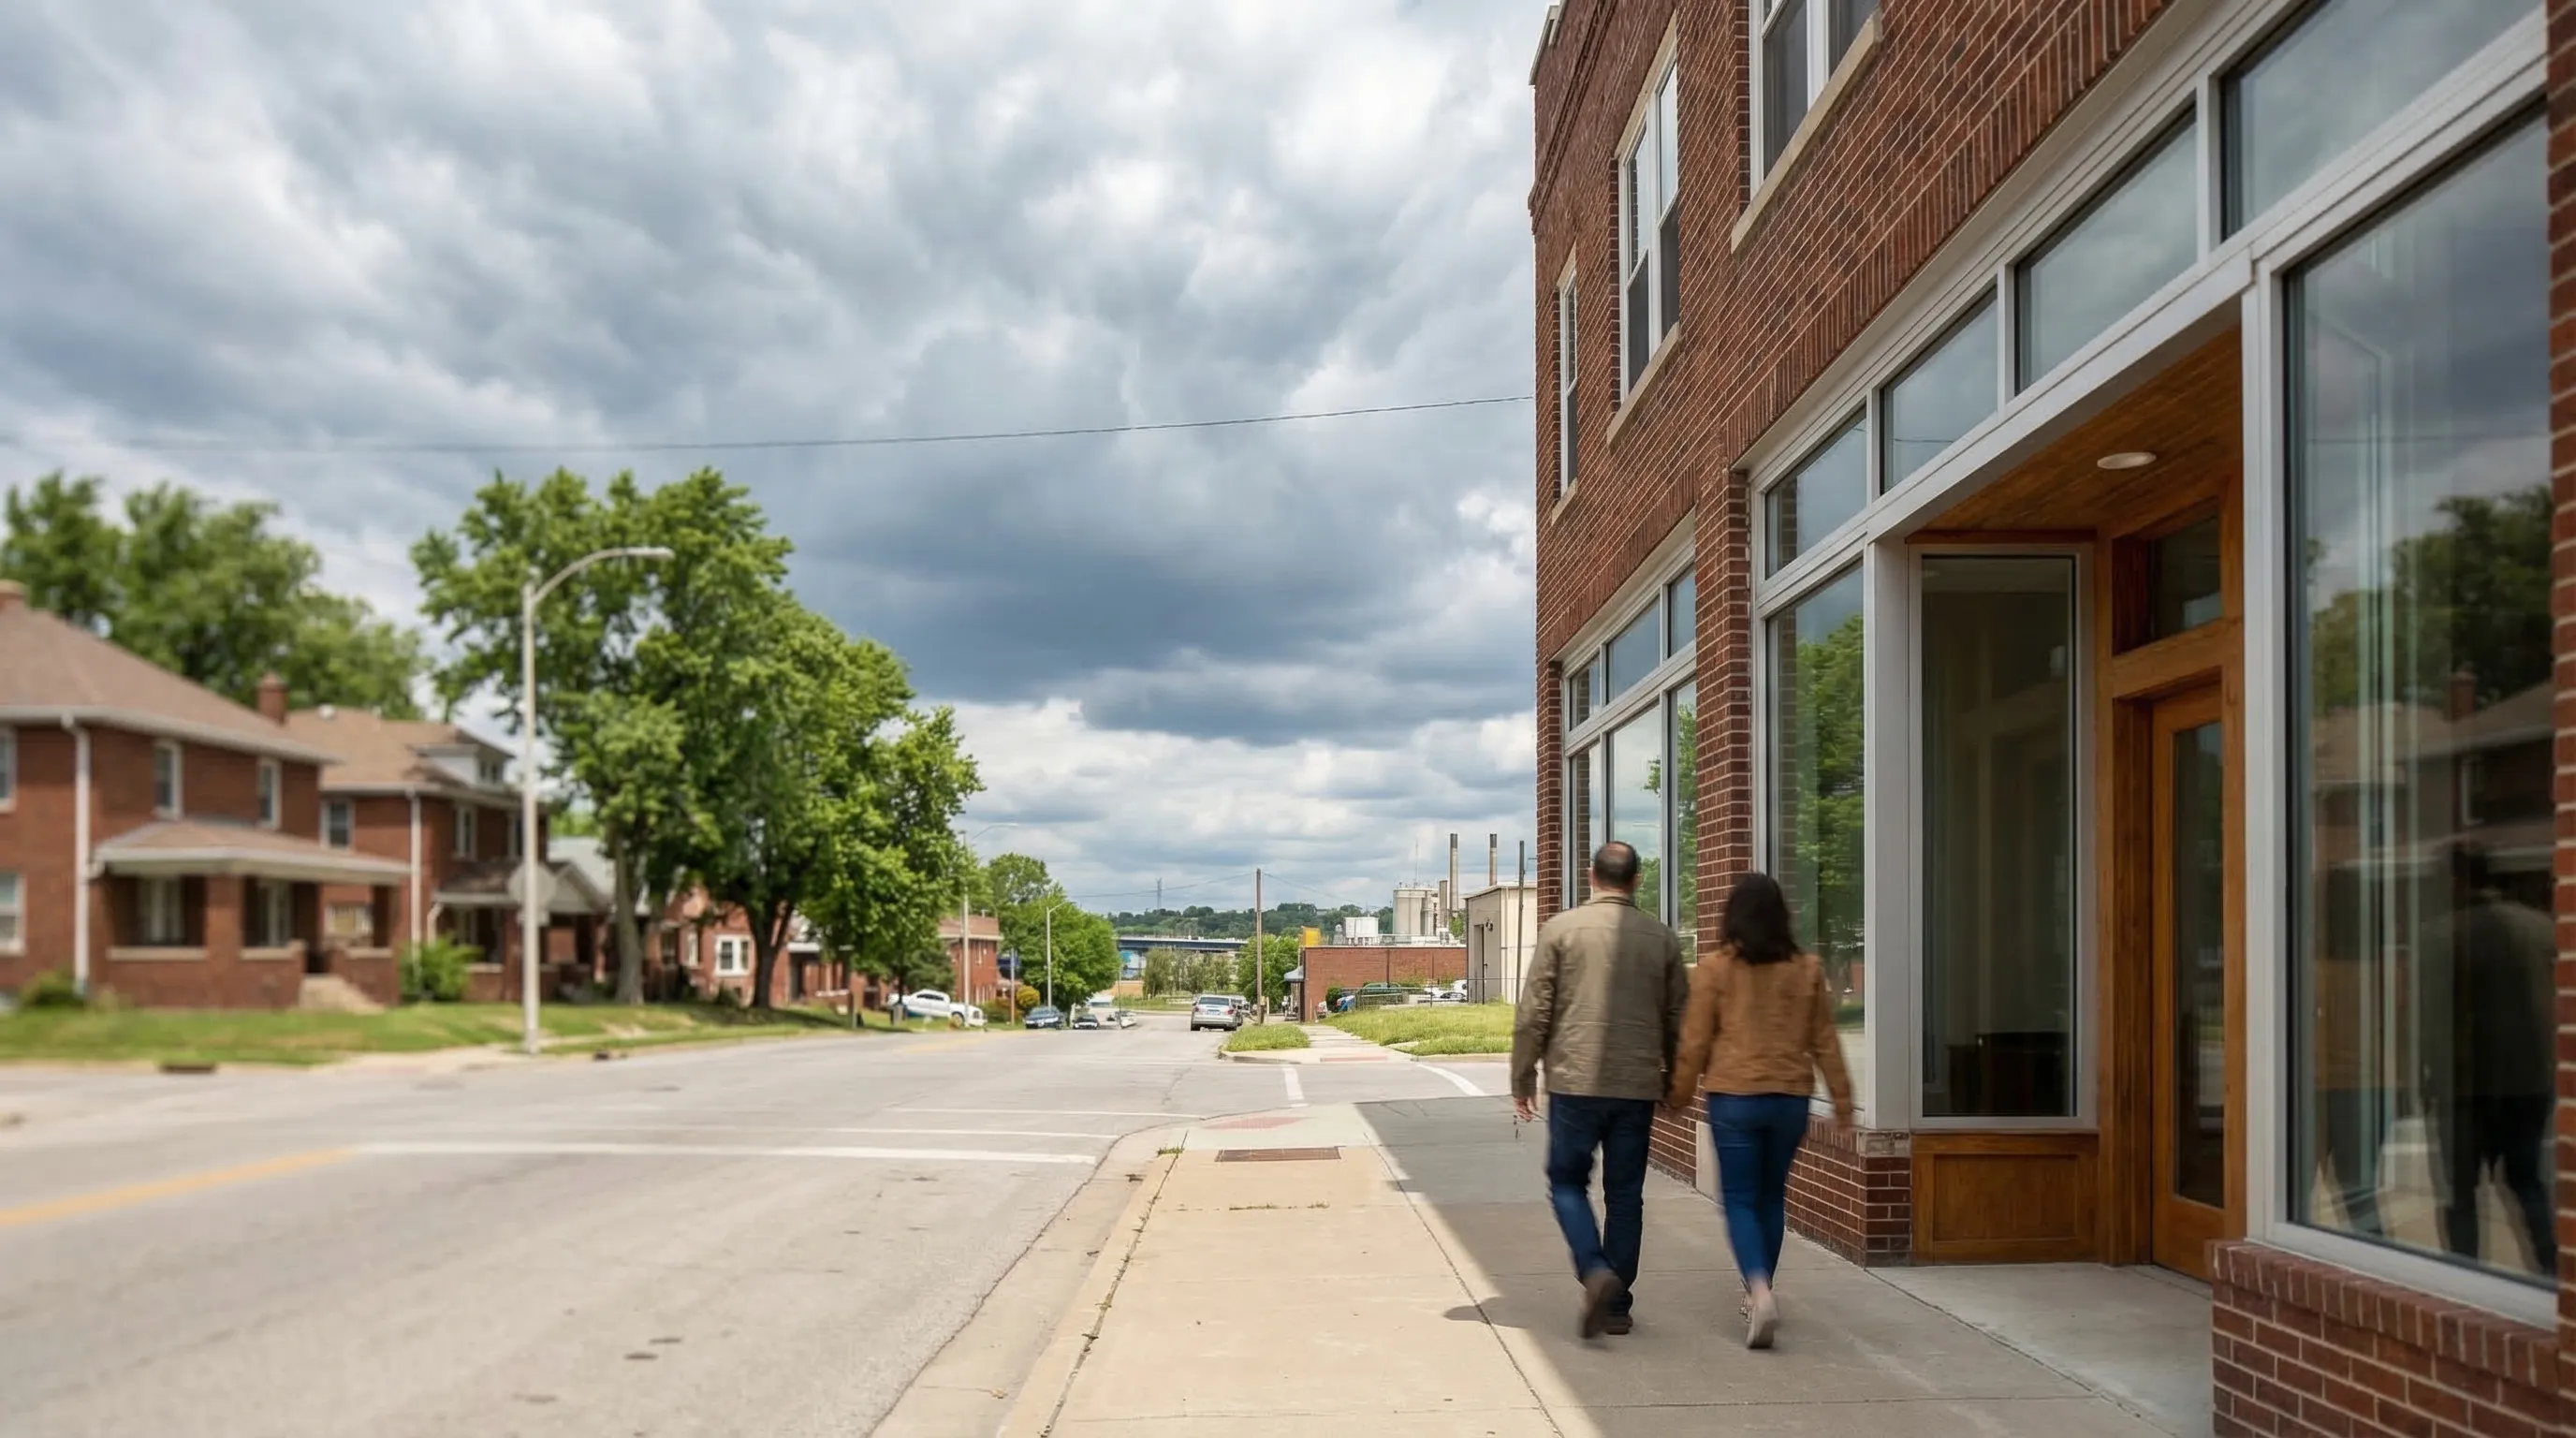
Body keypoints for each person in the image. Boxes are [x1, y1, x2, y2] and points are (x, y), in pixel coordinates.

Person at [1510, 841, 1689, 1340]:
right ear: (1636, 880)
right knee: (1626, 1194)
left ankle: (1594, 1269)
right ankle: (1617, 1304)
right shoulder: (1660, 938)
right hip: (1635, 1084)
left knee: (1567, 1182)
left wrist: (1523, 1077)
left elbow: (1533, 1013)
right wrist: (1676, 1079)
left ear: (1592, 876)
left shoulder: (1560, 930)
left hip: (1575, 1081)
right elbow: (1679, 1019)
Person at [1667, 872, 1853, 1350]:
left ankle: (1758, 1288)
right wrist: (1843, 1101)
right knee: (1771, 1197)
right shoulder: (1806, 969)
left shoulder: (1715, 969)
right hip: (1789, 1098)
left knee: (1740, 1198)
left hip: (1734, 1097)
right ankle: (1761, 1288)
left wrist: (1679, 1095)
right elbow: (1825, 1042)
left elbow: (1695, 1041)